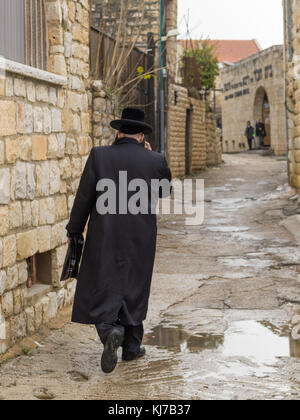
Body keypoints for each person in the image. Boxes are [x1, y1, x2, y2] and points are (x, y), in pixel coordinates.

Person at [66, 108, 172, 374]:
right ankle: (132, 348)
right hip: (141, 239)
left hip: (105, 235)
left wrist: (74, 230)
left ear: (118, 132)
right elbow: (165, 191)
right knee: (135, 287)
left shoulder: (100, 156)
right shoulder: (155, 159)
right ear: (141, 136)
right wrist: (150, 157)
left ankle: (110, 331)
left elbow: (84, 198)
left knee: (101, 284)